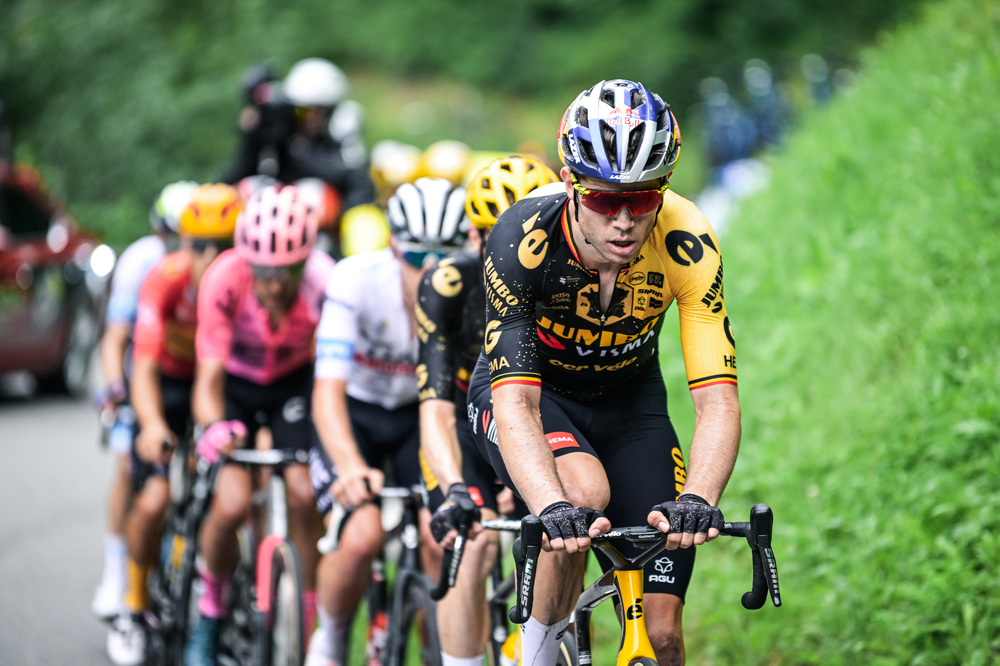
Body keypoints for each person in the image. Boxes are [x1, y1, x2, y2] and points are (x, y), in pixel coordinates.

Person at [467, 79, 741, 666]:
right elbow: (517, 405)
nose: (623, 219)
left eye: (642, 200)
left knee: (662, 637)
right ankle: (535, 653)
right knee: (581, 494)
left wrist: (700, 496)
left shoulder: (687, 238)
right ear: (569, 184)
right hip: (537, 393)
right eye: (602, 198)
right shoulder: (522, 238)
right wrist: (548, 506)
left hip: (631, 403)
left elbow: (716, 398)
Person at [305, 177, 467, 666]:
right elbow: (327, 390)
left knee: (443, 539)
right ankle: (330, 639)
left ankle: (432, 649)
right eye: (418, 258)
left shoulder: (477, 287)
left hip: (424, 419)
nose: (433, 272)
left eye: (446, 258)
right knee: (361, 536)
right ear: (394, 246)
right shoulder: (355, 279)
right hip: (357, 411)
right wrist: (350, 467)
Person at [417, 155, 559, 666]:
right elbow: (433, 407)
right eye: (495, 233)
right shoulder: (446, 285)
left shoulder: (569, 282)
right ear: (475, 238)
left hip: (537, 419)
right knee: (470, 542)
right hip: (462, 419)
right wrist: (456, 487)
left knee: (560, 536)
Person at [186, 183, 336, 666]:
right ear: (246, 259)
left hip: (292, 384)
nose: (275, 285)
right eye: (265, 273)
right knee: (230, 504)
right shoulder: (224, 278)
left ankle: (309, 623)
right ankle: (210, 611)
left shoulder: (322, 281)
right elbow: (206, 380)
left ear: (305, 260)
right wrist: (213, 427)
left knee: (301, 491)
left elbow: (331, 377)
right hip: (233, 384)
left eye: (287, 271)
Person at [105, 184, 241, 665]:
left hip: (217, 386)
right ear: (183, 245)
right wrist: (151, 425)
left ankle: (230, 602)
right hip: (166, 384)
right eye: (199, 245)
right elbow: (140, 366)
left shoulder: (242, 284)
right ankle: (133, 604)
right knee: (157, 497)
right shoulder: (164, 278)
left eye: (224, 245)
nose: (210, 257)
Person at [91, 181, 198, 622]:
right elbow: (117, 336)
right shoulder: (140, 262)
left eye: (184, 238)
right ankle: (117, 569)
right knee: (126, 467)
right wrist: (116, 388)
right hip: (147, 374)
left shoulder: (208, 264)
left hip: (195, 378)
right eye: (168, 236)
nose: (176, 247)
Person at [221, 58, 375, 215]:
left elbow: (350, 178)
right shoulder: (283, 139)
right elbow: (236, 176)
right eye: (297, 111)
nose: (303, 119)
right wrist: (254, 136)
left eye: (307, 112)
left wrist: (290, 149)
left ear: (326, 113)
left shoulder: (339, 145)